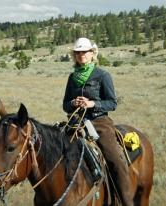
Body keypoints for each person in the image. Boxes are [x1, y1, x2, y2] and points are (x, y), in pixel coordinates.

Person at [62, 37, 134, 206]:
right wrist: (73, 103)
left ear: (92, 53)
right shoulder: (72, 77)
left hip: (99, 122)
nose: (81, 55)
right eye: (78, 53)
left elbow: (112, 102)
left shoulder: (102, 75)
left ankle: (126, 201)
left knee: (115, 159)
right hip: (76, 122)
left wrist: (92, 104)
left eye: (84, 52)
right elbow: (65, 104)